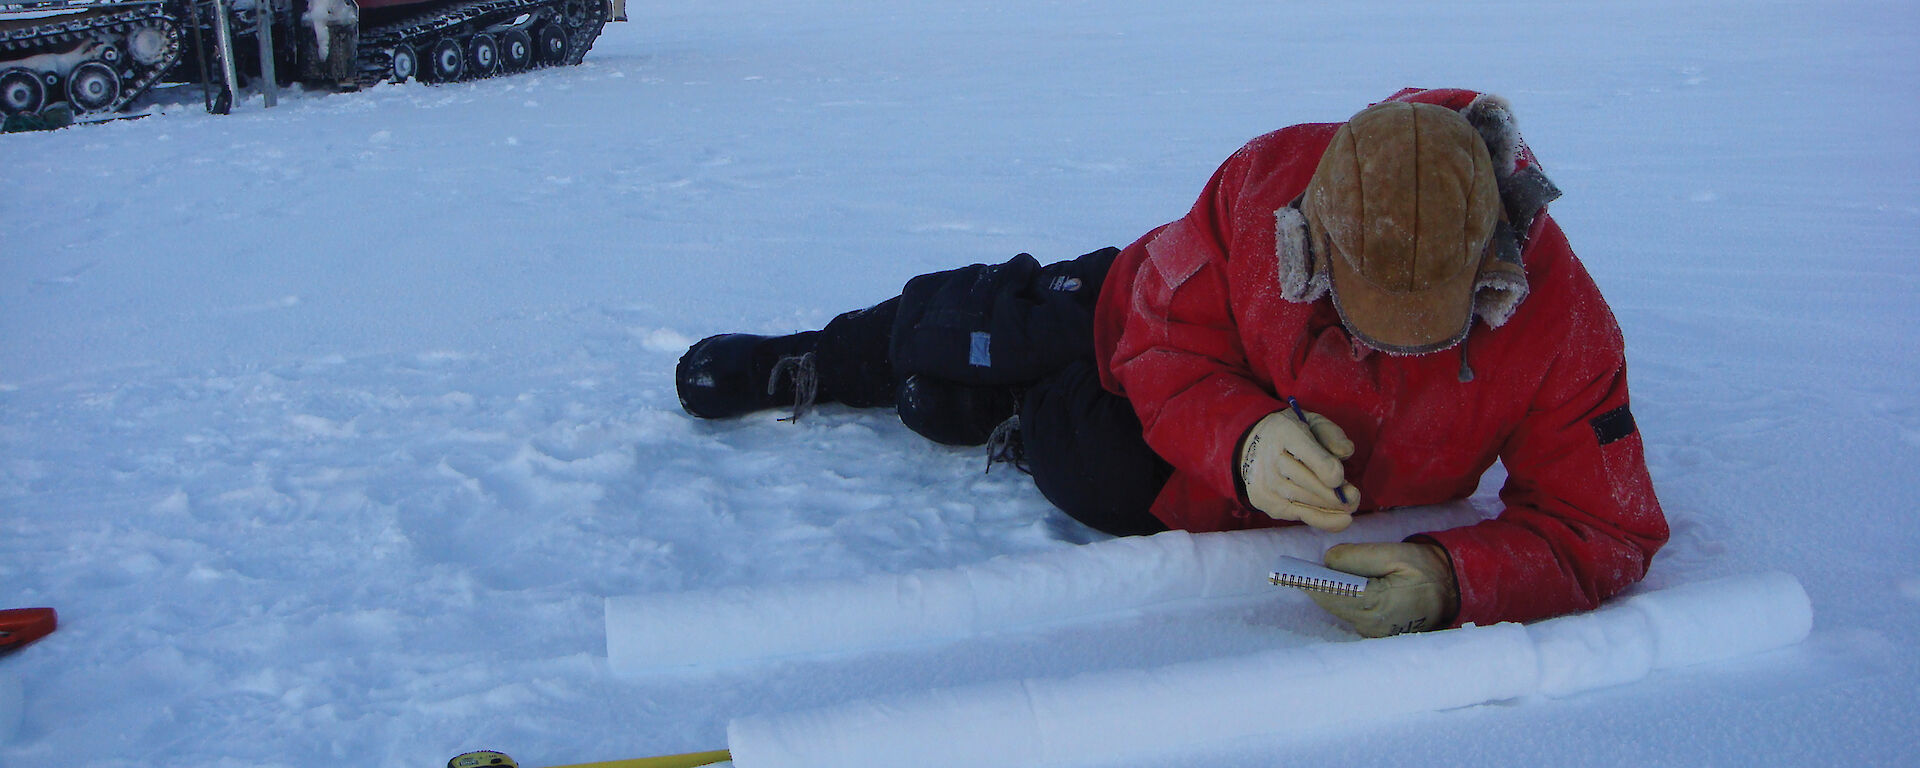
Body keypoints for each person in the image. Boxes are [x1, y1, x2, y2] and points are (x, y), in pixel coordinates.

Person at [675, 88, 1669, 638]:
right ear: (1314, 237)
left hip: (1179, 470)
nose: (1380, 348)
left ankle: (986, 413)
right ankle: (817, 357)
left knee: (1046, 451)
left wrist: (1451, 583)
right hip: (1128, 318)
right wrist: (1244, 439)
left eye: (1423, 325)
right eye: (1364, 313)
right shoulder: (1268, 182)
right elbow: (1162, 337)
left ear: (1489, 260)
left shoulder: (1560, 324)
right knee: (960, 333)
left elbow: (1604, 525)